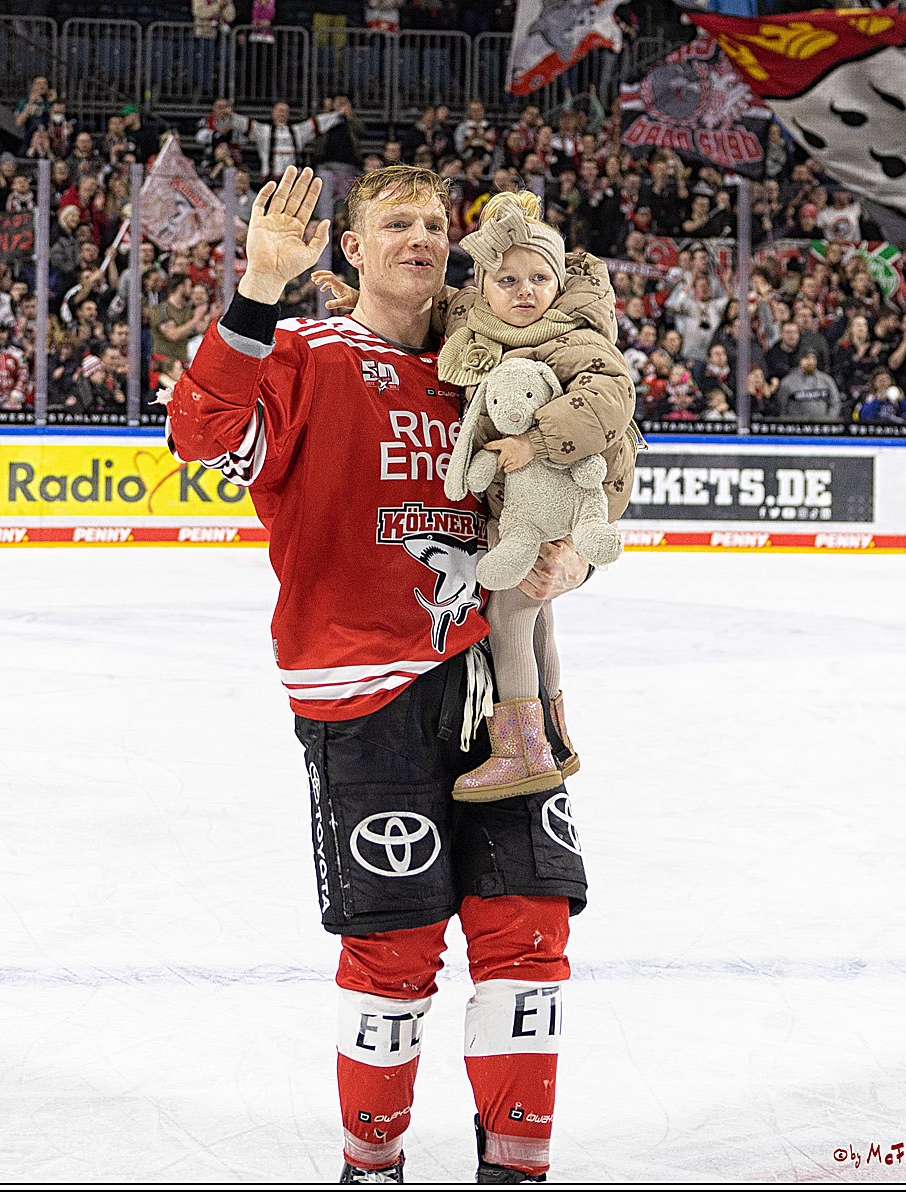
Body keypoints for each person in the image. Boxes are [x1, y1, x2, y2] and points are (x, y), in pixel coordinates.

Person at [165, 163, 592, 1184]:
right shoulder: (306, 354)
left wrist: (570, 549)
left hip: (495, 687)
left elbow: (576, 473)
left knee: (527, 929)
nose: (420, 237)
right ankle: (372, 1163)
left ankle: (517, 1165)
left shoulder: (485, 361)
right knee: (395, 948)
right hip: (363, 694)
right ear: (350, 249)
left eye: (434, 222)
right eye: (394, 222)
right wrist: (258, 289)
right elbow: (199, 433)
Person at [434, 192, 637, 798]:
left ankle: (520, 748)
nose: (526, 290)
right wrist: (352, 296)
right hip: (525, 500)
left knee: (508, 608)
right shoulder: (478, 323)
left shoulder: (572, 336)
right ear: (486, 284)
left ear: (559, 279)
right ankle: (553, 731)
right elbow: (445, 301)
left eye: (540, 277)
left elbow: (609, 398)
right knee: (535, 609)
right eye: (509, 279)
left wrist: (536, 442)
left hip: (572, 489)